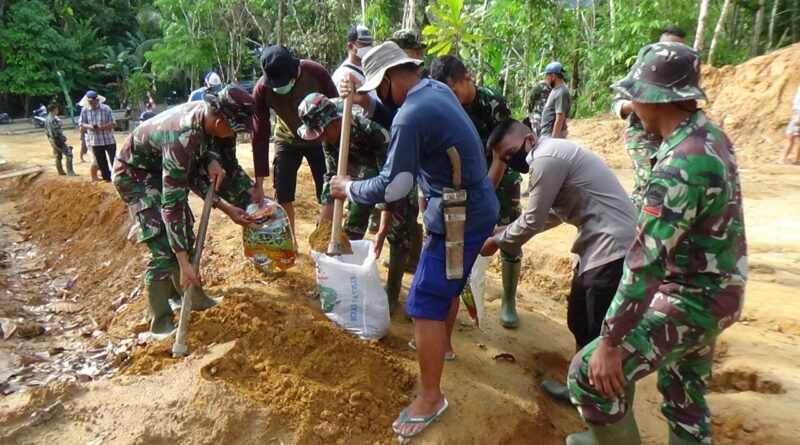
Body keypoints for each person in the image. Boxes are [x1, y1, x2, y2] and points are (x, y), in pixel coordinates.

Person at [565, 42, 747, 445]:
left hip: (692, 298)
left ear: (652, 98)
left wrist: (610, 342)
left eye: (634, 95)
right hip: (719, 291)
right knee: (684, 396)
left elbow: (644, 262)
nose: (631, 106)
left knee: (587, 374)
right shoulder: (710, 136)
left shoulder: (678, 166)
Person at [328, 41, 499, 439]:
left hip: (460, 214)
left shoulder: (413, 116)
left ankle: (431, 396)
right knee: (444, 287)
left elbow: (394, 185)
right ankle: (443, 348)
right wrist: (362, 104)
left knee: (423, 302)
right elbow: (397, 115)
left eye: (376, 89)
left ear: (387, 79)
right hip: (472, 205)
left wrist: (349, 186)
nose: (378, 97)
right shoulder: (433, 91)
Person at [480, 119, 637, 404]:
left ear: (529, 139)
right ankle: (579, 389)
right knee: (579, 319)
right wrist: (501, 232)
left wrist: (495, 242)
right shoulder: (548, 156)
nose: (509, 161)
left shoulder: (545, 157)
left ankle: (607, 415)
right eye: (503, 159)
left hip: (613, 247)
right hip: (595, 245)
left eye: (510, 153)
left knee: (600, 333)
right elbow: (551, 215)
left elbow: (533, 220)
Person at [113, 85, 257, 340]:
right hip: (134, 174)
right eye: (233, 129)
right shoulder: (182, 138)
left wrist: (228, 206)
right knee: (161, 242)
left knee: (184, 229)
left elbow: (198, 170)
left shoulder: (206, 121)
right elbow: (172, 204)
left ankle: (192, 298)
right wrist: (184, 262)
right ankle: (160, 322)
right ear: (221, 121)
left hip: (161, 166)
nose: (234, 134)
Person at [297, 92, 416, 312]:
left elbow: (391, 186)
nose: (322, 139)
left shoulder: (373, 130)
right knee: (348, 232)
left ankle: (391, 293)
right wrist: (324, 226)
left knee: (398, 232)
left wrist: (382, 229)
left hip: (397, 179)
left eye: (322, 132)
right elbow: (333, 179)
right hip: (358, 182)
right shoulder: (331, 138)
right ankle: (341, 283)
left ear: (333, 120)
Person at [430, 55, 524, 329]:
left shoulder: (492, 103)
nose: (453, 98)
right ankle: (459, 298)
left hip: (502, 175)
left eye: (455, 91)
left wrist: (485, 192)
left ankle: (509, 300)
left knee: (508, 233)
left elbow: (504, 154)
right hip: (468, 180)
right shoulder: (446, 108)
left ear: (468, 78)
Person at [252, 44, 338, 235]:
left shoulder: (316, 73)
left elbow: (336, 109)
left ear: (295, 70)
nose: (278, 88)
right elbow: (259, 134)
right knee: (283, 192)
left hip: (319, 140)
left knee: (327, 192)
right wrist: (258, 183)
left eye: (283, 83)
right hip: (287, 141)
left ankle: (325, 237)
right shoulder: (262, 89)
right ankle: (289, 240)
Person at [611, 26, 687, 208]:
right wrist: (638, 105)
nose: (672, 54)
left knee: (669, 186)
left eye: (679, 49)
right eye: (668, 47)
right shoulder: (644, 70)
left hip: (671, 138)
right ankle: (633, 225)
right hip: (642, 136)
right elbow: (617, 104)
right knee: (648, 185)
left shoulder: (685, 76)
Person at [79, 90, 117, 182]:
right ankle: (107, 179)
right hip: (95, 141)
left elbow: (113, 123)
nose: (91, 103)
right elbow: (81, 124)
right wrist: (90, 127)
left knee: (114, 160)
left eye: (92, 101)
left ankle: (117, 177)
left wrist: (101, 127)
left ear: (97, 100)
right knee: (101, 162)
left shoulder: (106, 108)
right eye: (89, 102)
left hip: (109, 139)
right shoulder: (85, 110)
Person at [44, 104, 77, 176]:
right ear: (54, 110)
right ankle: (70, 171)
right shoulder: (54, 119)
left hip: (52, 140)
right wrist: (62, 138)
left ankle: (60, 171)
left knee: (58, 156)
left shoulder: (46, 120)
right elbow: (57, 131)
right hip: (58, 140)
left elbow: (47, 132)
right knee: (69, 154)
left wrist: (51, 141)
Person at [540, 61, 571, 139]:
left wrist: (553, 141)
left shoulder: (561, 92)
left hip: (553, 135)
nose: (546, 79)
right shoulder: (556, 90)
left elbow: (559, 118)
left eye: (547, 76)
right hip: (548, 133)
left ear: (553, 76)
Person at [780, 84, 800, 164]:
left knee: (791, 136)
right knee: (795, 136)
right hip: (797, 112)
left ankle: (783, 158)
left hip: (798, 113)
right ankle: (797, 159)